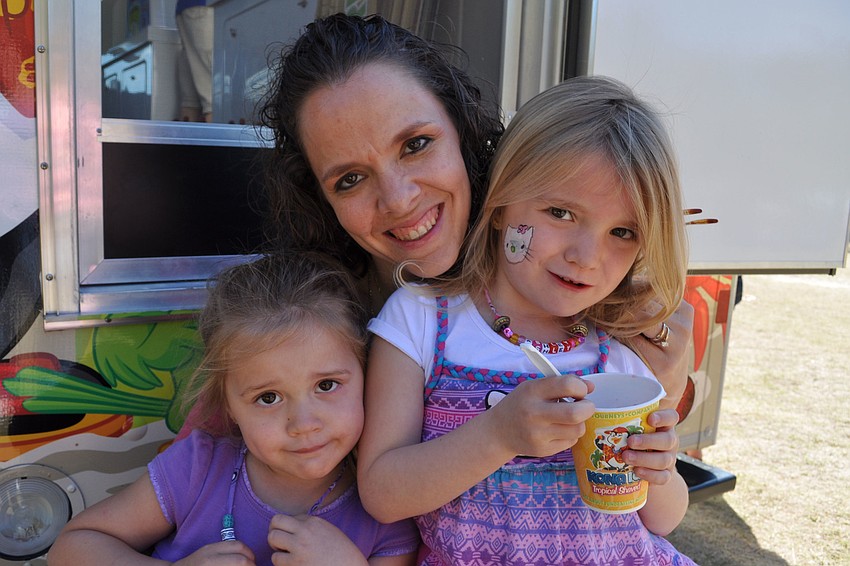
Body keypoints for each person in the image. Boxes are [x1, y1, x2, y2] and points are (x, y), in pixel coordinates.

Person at [255, 13, 693, 410]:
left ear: (463, 130)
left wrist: (669, 391)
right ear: (319, 199)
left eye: (415, 145)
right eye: (349, 179)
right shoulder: (299, 316)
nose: (399, 199)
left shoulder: (570, 280)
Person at [356, 76, 695, 565]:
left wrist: (658, 469)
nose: (586, 256)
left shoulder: (620, 350)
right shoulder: (423, 322)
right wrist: (498, 435)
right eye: (560, 212)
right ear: (500, 205)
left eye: (622, 232)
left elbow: (664, 520)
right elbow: (383, 493)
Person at [49, 253, 419, 565]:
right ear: (228, 404)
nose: (303, 424)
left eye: (326, 386)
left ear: (369, 377)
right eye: (268, 397)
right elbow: (74, 546)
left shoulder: (384, 508)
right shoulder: (199, 468)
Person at [175, 0, 213, 122]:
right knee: (213, 98)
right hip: (204, 8)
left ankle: (183, 139)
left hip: (188, 8)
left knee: (190, 100)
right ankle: (219, 140)